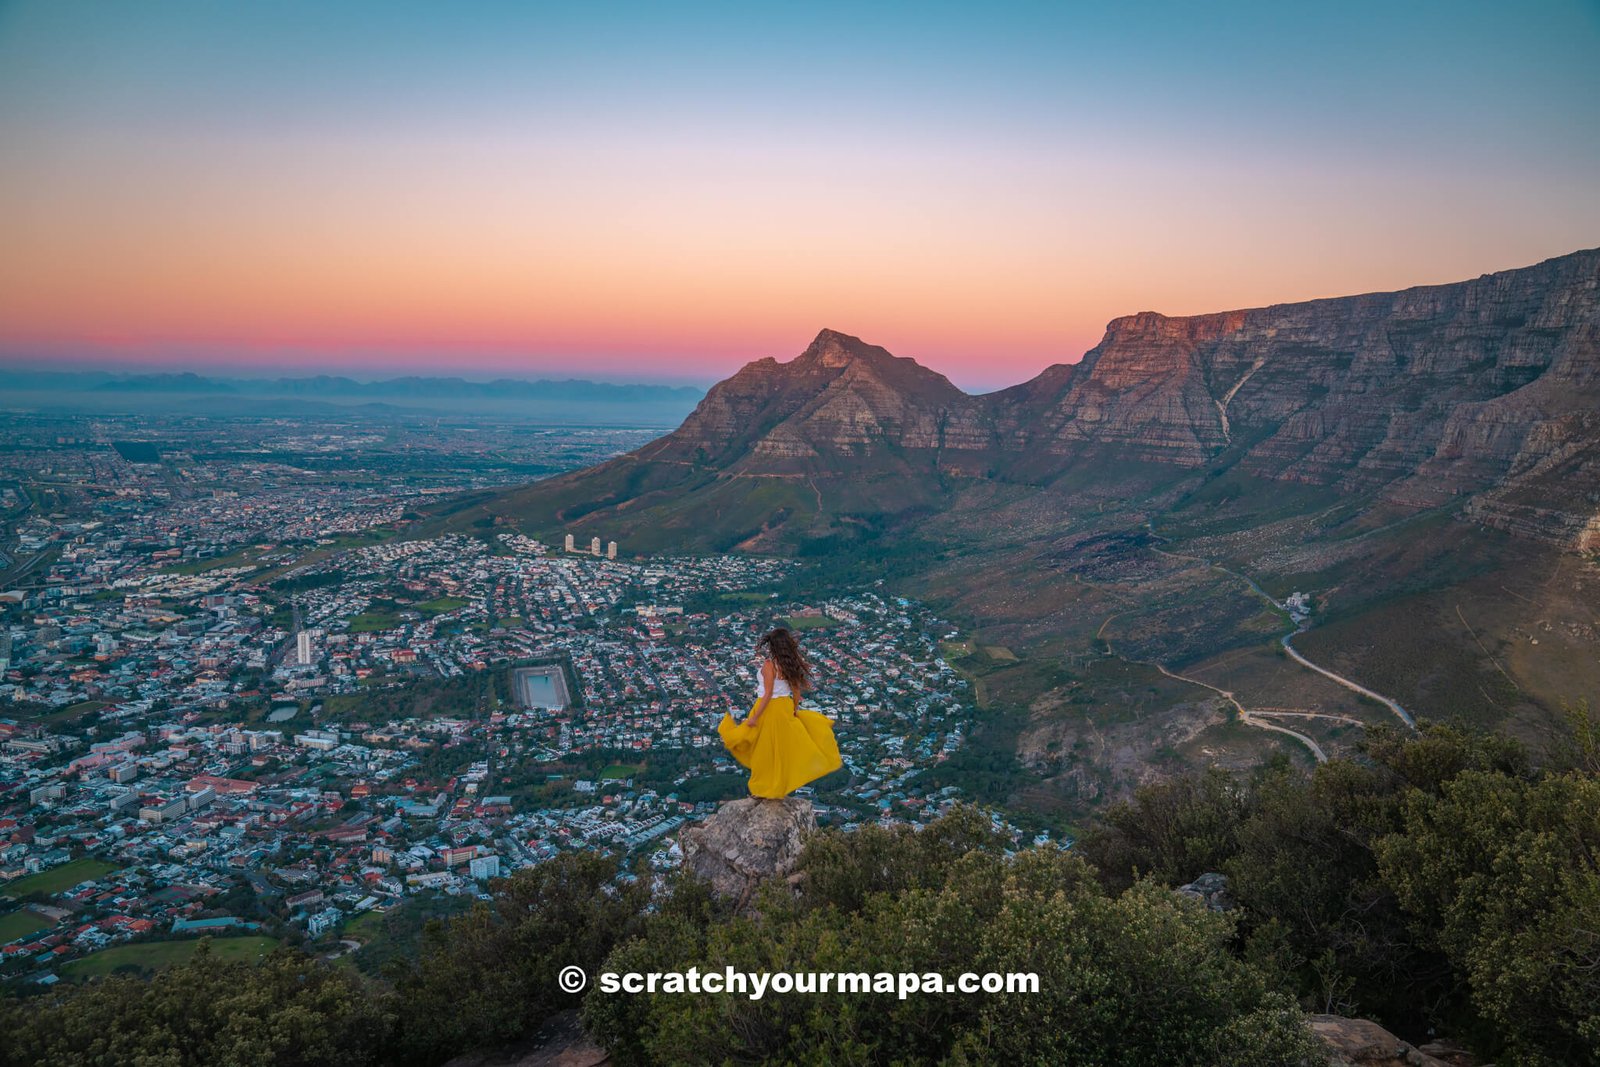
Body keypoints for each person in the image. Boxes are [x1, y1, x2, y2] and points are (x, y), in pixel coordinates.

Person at [716, 627, 842, 798]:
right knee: (779, 751)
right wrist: (794, 710)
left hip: (767, 708)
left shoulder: (770, 665)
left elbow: (767, 694)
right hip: (785, 707)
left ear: (772, 646)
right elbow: (796, 690)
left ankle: (764, 789)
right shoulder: (790, 663)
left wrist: (755, 717)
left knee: (763, 751)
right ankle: (775, 787)